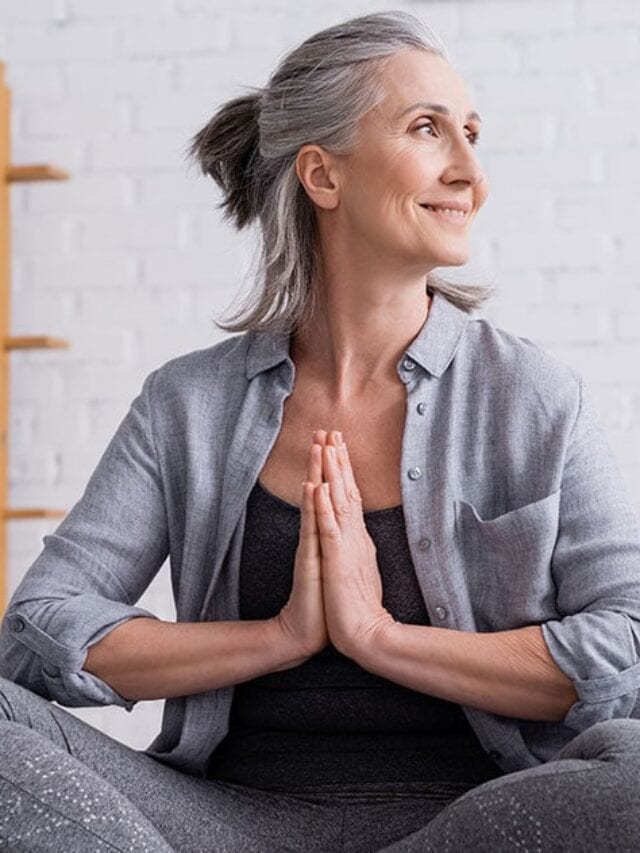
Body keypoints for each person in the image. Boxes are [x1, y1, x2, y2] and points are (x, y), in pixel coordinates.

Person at [1, 9, 640, 852]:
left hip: (471, 823)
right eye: (427, 128)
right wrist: (279, 637)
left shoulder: (536, 397)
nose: (470, 173)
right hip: (220, 822)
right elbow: (37, 628)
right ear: (322, 176)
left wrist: (381, 637)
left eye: (473, 134)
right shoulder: (186, 403)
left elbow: (628, 645)